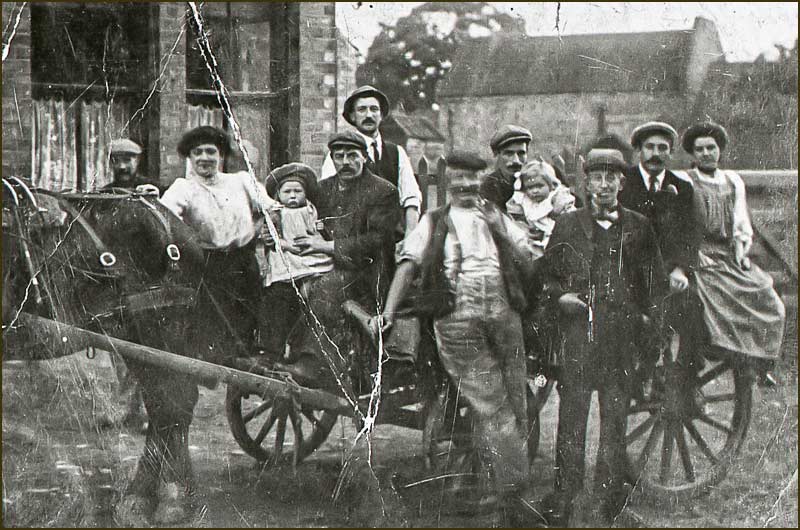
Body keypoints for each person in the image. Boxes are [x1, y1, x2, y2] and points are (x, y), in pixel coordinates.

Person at [371, 151, 543, 526]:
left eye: (472, 180)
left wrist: (502, 230)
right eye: (459, 179)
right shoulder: (433, 222)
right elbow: (407, 265)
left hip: (503, 313)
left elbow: (529, 257)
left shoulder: (496, 216)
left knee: (518, 399)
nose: (466, 186)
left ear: (480, 181)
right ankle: (512, 496)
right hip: (457, 319)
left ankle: (509, 482)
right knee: (492, 403)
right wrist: (388, 311)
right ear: (449, 182)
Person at [538, 149, 667, 527]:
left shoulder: (639, 226)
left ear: (622, 184)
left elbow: (655, 285)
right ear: (587, 182)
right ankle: (565, 495)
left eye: (613, 176)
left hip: (621, 341)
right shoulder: (567, 225)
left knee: (614, 422)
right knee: (572, 419)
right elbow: (547, 277)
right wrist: (561, 297)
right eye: (597, 176)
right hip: (580, 338)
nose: (605, 184)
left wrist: (649, 333)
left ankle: (609, 501)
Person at [159, 125, 280, 357]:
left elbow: (273, 209)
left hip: (244, 263)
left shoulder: (241, 181)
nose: (205, 158)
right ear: (189, 157)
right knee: (212, 331)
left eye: (211, 151)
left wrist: (265, 227)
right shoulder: (183, 188)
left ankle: (239, 387)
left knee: (246, 326)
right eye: (198, 152)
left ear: (221, 155)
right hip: (207, 266)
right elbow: (164, 218)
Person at [680, 121, 785, 383]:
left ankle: (760, 359)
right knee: (712, 296)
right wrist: (691, 252)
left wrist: (740, 249)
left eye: (711, 148)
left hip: (727, 253)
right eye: (700, 149)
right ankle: (726, 348)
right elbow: (679, 223)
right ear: (692, 154)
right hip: (700, 253)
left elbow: (740, 221)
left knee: (764, 293)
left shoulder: (733, 181)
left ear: (720, 150)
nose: (706, 154)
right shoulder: (685, 180)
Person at [320, 85, 422, 236]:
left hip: (392, 238)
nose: (369, 115)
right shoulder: (339, 155)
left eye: (374, 109)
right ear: (352, 116)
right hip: (353, 238)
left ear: (381, 115)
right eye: (362, 110)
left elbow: (411, 197)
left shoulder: (397, 152)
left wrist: (410, 236)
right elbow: (329, 199)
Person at [255, 162, 333, 357]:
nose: (292, 196)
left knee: (311, 291)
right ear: (278, 195)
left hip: (310, 255)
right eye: (287, 192)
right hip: (286, 256)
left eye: (297, 191)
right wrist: (284, 245)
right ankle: (272, 349)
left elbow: (320, 231)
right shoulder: (277, 214)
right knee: (279, 296)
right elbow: (272, 238)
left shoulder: (311, 210)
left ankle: (300, 348)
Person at [506, 159, 576, 258]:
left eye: (539, 186)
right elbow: (516, 217)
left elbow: (571, 216)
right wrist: (524, 228)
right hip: (534, 236)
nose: (535, 191)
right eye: (530, 188)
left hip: (556, 233)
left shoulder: (557, 197)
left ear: (551, 185)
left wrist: (557, 212)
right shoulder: (524, 200)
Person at [479, 124, 533, 211]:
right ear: (496, 154)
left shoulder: (535, 180)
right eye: (508, 153)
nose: (516, 160)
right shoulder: (489, 187)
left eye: (521, 153)